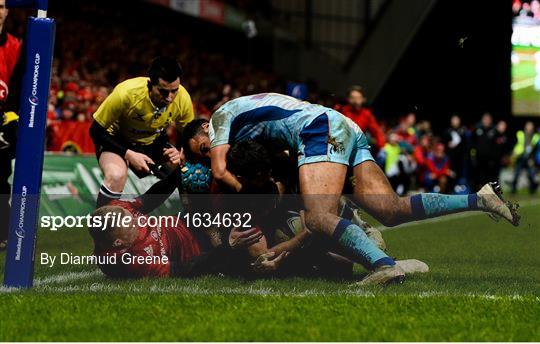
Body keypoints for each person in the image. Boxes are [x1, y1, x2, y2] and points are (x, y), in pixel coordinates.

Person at [184, 93, 520, 285]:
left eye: (200, 146)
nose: (208, 151)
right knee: (392, 209)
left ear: (204, 129)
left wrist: (249, 197)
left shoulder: (220, 119)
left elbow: (219, 169)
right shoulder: (254, 131)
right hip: (340, 126)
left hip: (319, 131)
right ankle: (481, 197)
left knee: (318, 217)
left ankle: (384, 264)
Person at [89, 56, 194, 207]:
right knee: (116, 176)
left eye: (174, 91)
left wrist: (179, 152)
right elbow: (95, 131)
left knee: (183, 170)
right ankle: (100, 226)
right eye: (163, 92)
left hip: (151, 141)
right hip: (116, 139)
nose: (170, 98)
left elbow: (189, 134)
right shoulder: (126, 93)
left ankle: (137, 210)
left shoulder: (183, 98)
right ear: (150, 85)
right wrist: (129, 154)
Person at [0, 0, 22, 250]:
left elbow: (20, 90)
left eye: (1, 6)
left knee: (0, 180)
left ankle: (2, 233)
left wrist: (10, 120)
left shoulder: (16, 47)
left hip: (4, 126)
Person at [334, 86, 386, 152]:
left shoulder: (366, 114)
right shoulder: (342, 111)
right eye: (352, 98)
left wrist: (382, 147)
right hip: (341, 143)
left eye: (358, 98)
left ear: (363, 99)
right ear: (348, 99)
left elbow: (376, 131)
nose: (355, 101)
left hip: (358, 145)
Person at [511, 121, 539, 194]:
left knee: (531, 174)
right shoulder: (520, 134)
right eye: (528, 126)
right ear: (525, 127)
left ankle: (532, 190)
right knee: (517, 173)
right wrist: (514, 153)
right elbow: (516, 144)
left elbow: (535, 149)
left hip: (529, 158)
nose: (529, 128)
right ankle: (513, 189)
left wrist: (532, 159)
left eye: (531, 126)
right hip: (520, 157)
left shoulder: (536, 136)